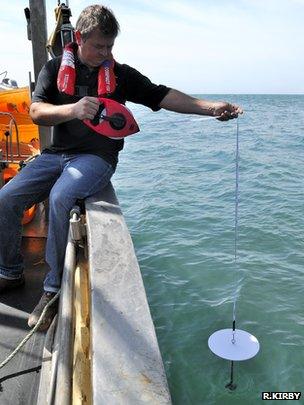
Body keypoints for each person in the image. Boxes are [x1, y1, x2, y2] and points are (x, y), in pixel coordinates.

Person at [0, 4, 242, 330]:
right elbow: (37, 111)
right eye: (99, 46)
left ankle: (53, 290)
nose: (105, 53)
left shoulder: (120, 74)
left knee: (60, 197)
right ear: (80, 38)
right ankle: (11, 271)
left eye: (110, 46)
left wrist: (210, 108)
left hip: (96, 159)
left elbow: (161, 95)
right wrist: (73, 110)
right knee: (7, 197)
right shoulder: (55, 68)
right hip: (56, 155)